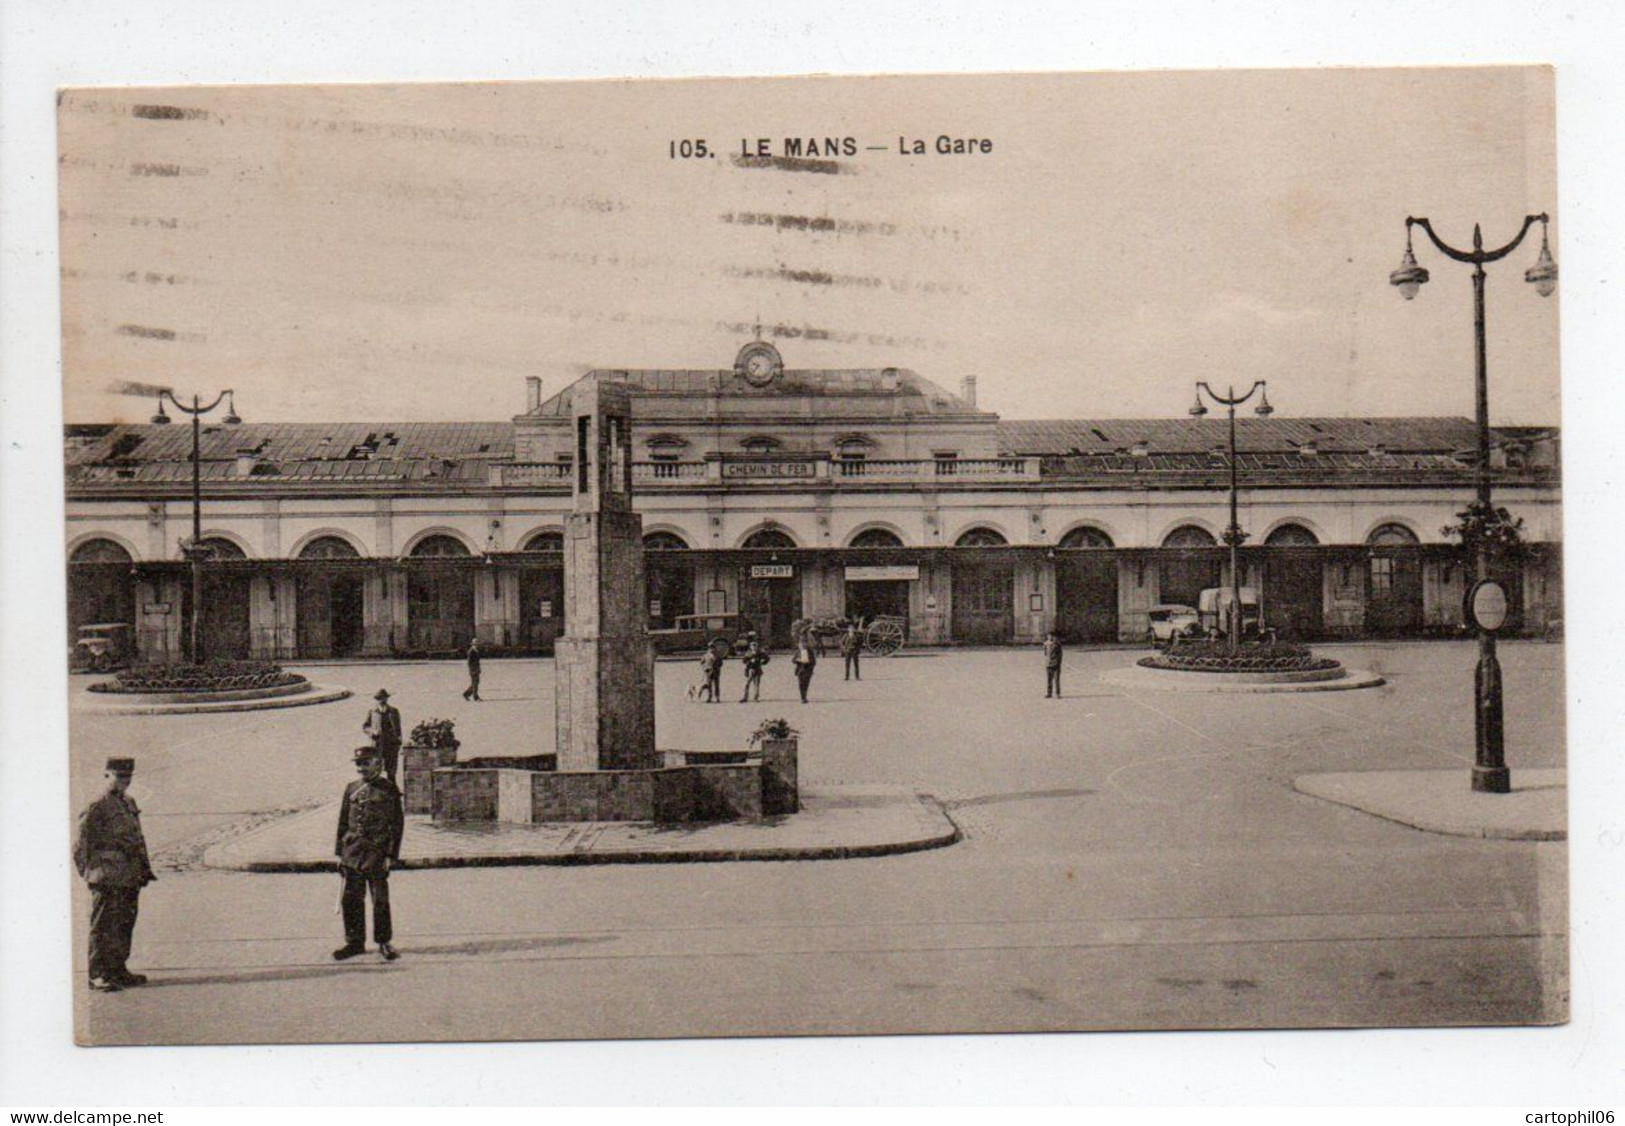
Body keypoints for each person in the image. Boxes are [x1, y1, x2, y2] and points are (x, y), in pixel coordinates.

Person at [73, 757, 156, 992]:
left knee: (124, 923)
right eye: (119, 777)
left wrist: (142, 868)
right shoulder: (97, 804)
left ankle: (118, 969)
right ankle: (97, 973)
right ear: (107, 775)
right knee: (103, 925)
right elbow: (81, 844)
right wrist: (90, 873)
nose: (124, 782)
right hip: (106, 874)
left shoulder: (128, 802)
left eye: (128, 777)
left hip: (129, 873)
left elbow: (137, 838)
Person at [334, 746, 406, 962]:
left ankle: (384, 942)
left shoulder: (388, 789)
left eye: (366, 763)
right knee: (351, 899)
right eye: (358, 764)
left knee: (380, 901)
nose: (361, 768)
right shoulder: (351, 788)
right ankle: (354, 942)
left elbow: (396, 824)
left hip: (377, 852)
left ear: (378, 764)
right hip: (353, 853)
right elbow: (343, 822)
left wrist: (390, 855)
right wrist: (340, 854)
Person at [361, 688, 404, 781]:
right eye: (379, 699)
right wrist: (372, 732)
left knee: (391, 770)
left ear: (387, 699)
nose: (381, 701)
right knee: (376, 768)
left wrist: (399, 743)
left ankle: (392, 790)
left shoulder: (393, 711)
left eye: (383, 698)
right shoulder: (372, 712)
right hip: (377, 744)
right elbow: (365, 726)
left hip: (391, 744)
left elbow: (398, 729)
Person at [791, 629, 818, 703]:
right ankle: (802, 697)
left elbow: (814, 661)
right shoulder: (798, 651)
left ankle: (804, 696)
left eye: (804, 643)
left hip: (807, 670)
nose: (803, 645)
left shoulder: (810, 651)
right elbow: (793, 660)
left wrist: (810, 664)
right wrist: (798, 660)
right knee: (800, 684)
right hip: (800, 670)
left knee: (806, 684)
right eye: (801, 643)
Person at [1043, 631, 1063, 698]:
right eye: (1049, 636)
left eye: (1051, 636)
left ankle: (1058, 693)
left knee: (1057, 680)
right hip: (1048, 664)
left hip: (1056, 664)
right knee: (1049, 680)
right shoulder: (1045, 644)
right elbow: (1045, 653)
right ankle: (1049, 693)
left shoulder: (1057, 644)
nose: (1050, 637)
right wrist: (1047, 661)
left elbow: (1060, 655)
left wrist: (1058, 663)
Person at [462, 637, 482, 702]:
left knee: (476, 682)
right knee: (475, 683)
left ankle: (466, 694)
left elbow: (477, 661)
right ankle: (475, 696)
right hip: (473, 670)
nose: (477, 645)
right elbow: (469, 662)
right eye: (475, 644)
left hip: (476, 669)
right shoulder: (471, 651)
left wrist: (479, 669)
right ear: (472, 644)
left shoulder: (476, 650)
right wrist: (472, 670)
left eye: (477, 643)